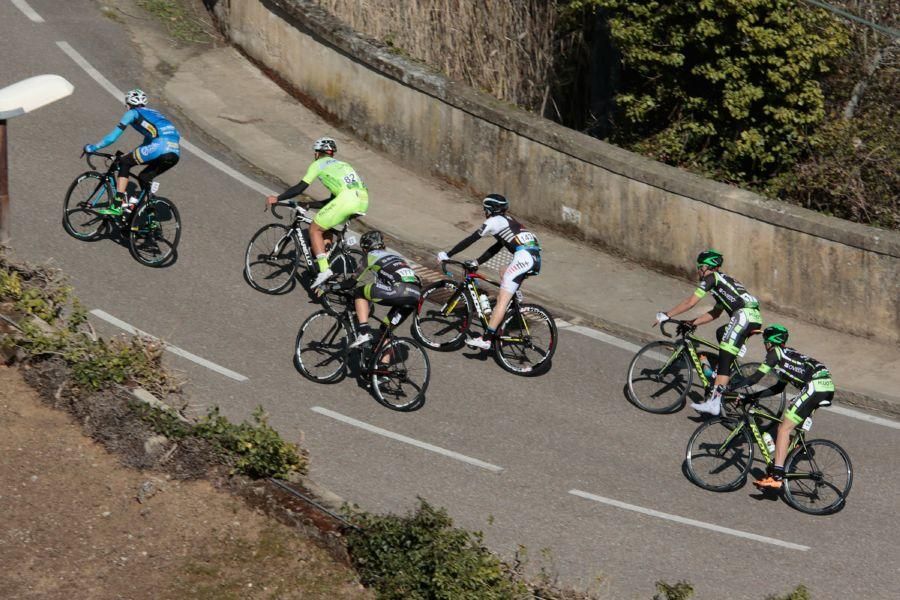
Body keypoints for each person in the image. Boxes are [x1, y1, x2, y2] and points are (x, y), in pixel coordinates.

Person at [653, 249, 762, 416]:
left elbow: (690, 302)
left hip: (743, 316)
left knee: (724, 356)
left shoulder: (711, 279)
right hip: (750, 317)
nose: (698, 270)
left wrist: (667, 315)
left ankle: (714, 403)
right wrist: (692, 322)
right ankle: (734, 379)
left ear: (706, 267)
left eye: (699, 267)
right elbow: (715, 313)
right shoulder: (723, 283)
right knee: (721, 334)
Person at [732, 324, 835, 489]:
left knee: (783, 429)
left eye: (765, 341)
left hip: (816, 385)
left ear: (770, 342)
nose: (764, 345)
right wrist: (751, 396)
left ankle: (777, 476)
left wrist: (728, 389)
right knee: (791, 424)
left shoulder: (775, 354)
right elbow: (778, 388)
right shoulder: (786, 356)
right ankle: (793, 451)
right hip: (823, 385)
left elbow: (755, 378)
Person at [436, 194, 541, 350]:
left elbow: (472, 239)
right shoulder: (508, 220)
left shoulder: (493, 221)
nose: (485, 212)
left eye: (485, 209)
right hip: (534, 257)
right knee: (503, 270)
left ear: (490, 209)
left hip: (523, 257)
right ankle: (515, 295)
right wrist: (477, 262)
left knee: (501, 301)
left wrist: (448, 255)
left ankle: (486, 339)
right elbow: (497, 247)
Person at [266, 137, 368, 288]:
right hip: (363, 200)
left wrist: (278, 198)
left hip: (347, 199)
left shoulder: (318, 164)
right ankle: (325, 258)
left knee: (314, 229)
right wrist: (309, 204)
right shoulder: (343, 165)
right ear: (332, 153)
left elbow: (300, 188)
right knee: (326, 227)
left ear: (317, 153)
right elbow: (331, 202)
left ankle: (324, 270)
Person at [83, 89, 180, 216]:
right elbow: (148, 143)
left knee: (124, 162)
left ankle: (117, 205)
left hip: (160, 146)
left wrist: (93, 148)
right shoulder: (154, 113)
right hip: (175, 151)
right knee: (144, 177)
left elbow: (112, 138)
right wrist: (131, 154)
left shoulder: (133, 113)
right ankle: (148, 216)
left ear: (127, 104)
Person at [337, 230, 421, 349]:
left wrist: (332, 287)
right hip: (415, 296)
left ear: (365, 249)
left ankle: (364, 332)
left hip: (399, 290)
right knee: (385, 332)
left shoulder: (371, 256)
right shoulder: (397, 257)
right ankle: (382, 366)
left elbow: (350, 283)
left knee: (359, 292)